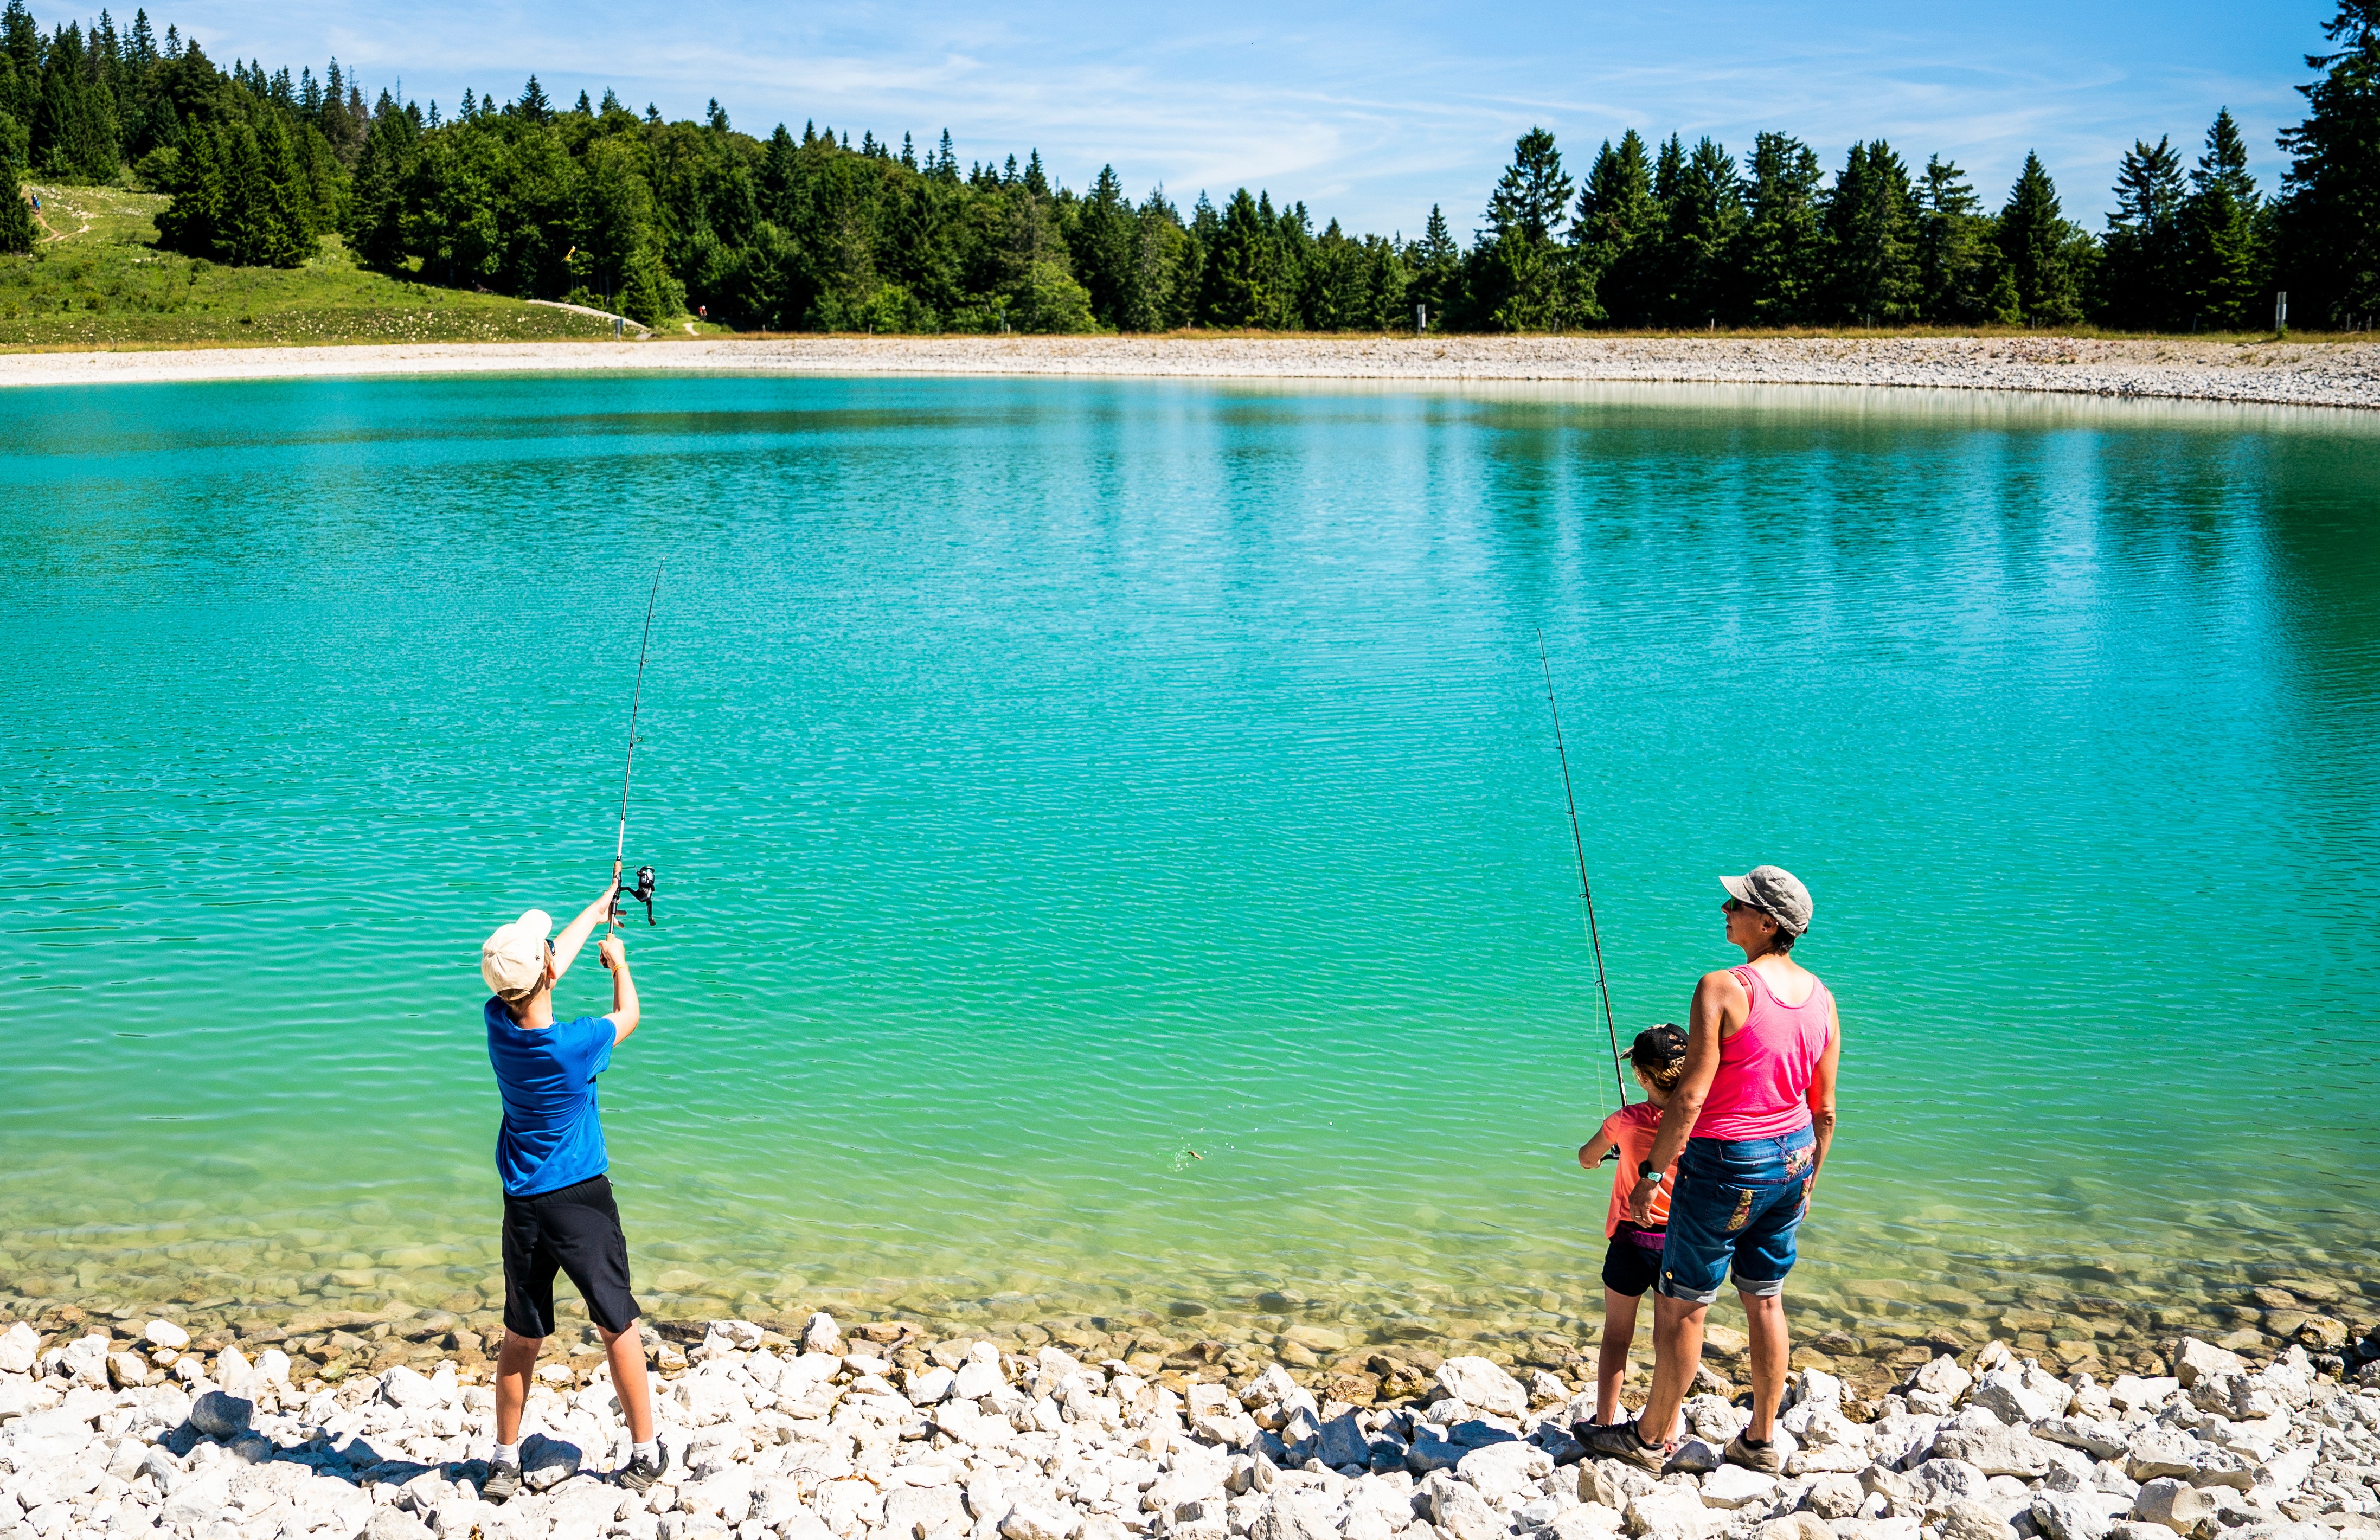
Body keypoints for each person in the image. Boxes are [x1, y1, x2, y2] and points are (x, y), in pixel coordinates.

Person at [1581, 865, 1840, 1475]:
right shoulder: (1822, 997)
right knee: (1766, 1300)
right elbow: (1825, 1109)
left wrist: (1650, 1175)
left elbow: (1692, 1097)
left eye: (1737, 903)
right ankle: (1760, 1439)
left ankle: (1647, 1439)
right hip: (1793, 1158)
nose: (1725, 908)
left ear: (1768, 922)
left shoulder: (1721, 986)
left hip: (1728, 1162)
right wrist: (1808, 1182)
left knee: (1682, 1305)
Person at [477, 871, 668, 1499]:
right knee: (618, 1323)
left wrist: (599, 905)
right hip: (582, 1200)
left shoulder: (497, 1022)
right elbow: (630, 1014)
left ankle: (504, 1459)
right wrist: (620, 964)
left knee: (522, 1333)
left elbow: (545, 963)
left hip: (523, 1205)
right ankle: (645, 1451)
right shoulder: (576, 1045)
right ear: (551, 974)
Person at [1574, 1025, 1689, 1434]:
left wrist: (1610, 1151)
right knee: (1671, 1342)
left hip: (1630, 1242)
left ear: (1640, 1077)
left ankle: (1604, 1422)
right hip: (1681, 1244)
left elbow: (1586, 1158)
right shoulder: (1702, 1120)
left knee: (1617, 1336)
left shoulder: (1625, 1120)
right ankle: (1666, 1430)